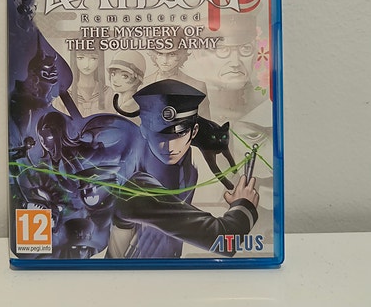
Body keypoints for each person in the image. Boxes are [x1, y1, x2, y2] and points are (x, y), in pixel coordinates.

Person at [107, 79, 259, 258]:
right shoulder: (136, 186)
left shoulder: (188, 167)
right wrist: (244, 205)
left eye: (180, 134)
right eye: (160, 136)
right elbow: (225, 240)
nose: (170, 147)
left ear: (194, 131)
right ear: (144, 131)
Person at [144, 46, 210, 119]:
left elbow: (205, 123)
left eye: (172, 54)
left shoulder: (198, 87)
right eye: (160, 54)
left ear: (181, 55)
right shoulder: (143, 84)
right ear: (153, 54)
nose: (165, 61)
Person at [107, 50, 146, 117]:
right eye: (113, 74)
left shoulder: (129, 107)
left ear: (137, 80)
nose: (115, 79)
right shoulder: (119, 104)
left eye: (124, 76)